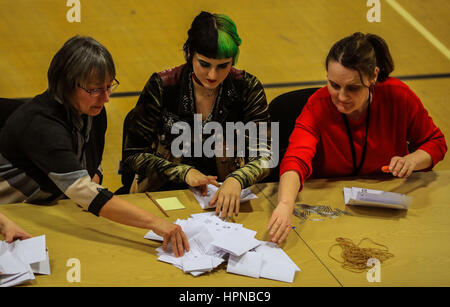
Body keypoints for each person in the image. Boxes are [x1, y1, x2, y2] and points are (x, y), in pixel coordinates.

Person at [0, 36, 189, 257]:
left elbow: (91, 170)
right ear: (68, 84)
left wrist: (94, 179)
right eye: (96, 90)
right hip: (11, 214)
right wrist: (156, 223)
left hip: (51, 207)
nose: (106, 98)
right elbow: (82, 190)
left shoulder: (93, 112)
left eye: (109, 87)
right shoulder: (40, 124)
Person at [267, 32, 447, 244]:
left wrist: (412, 160)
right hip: (331, 210)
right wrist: (285, 204)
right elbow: (295, 160)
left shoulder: (398, 96)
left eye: (353, 88)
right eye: (334, 85)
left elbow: (435, 142)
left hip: (385, 209)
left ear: (373, 76)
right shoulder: (317, 106)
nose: (342, 97)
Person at [122, 11, 272, 220]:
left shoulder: (248, 87)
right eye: (204, 64)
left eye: (223, 66)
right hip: (166, 193)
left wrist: (238, 179)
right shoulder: (163, 86)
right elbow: (132, 155)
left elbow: (265, 155)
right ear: (190, 54)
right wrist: (182, 172)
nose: (213, 75)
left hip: (222, 198)